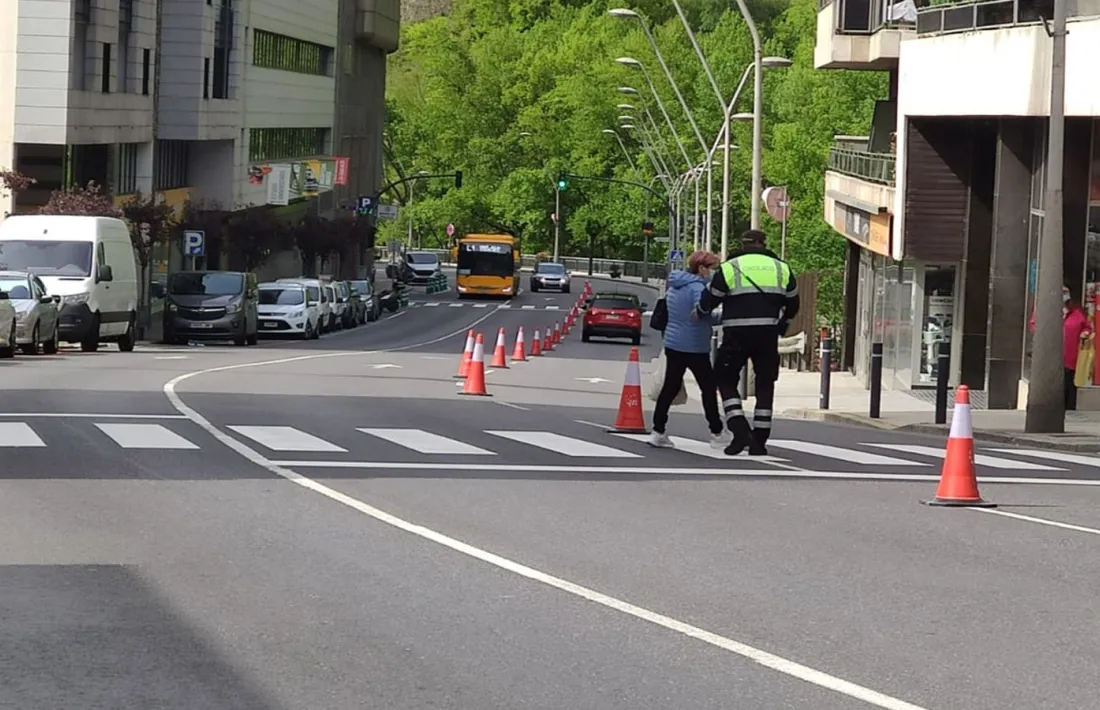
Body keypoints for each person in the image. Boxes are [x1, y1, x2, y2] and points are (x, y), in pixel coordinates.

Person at [695, 229, 799, 456]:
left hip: (737, 333)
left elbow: (712, 298)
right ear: (763, 244)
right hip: (767, 334)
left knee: (723, 377)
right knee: (765, 383)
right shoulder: (781, 267)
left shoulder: (731, 267)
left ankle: (738, 427)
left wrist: (700, 311)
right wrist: (784, 323)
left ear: (742, 245)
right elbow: (793, 303)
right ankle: (760, 440)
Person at [649, 251, 725, 449]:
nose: (713, 272)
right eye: (712, 268)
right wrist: (724, 317)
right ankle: (717, 432)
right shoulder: (697, 288)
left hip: (673, 342)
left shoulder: (674, 285)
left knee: (669, 387)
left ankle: (658, 431)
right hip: (695, 345)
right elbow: (701, 315)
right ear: (701, 268)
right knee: (708, 389)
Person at [1063, 294, 1091, 411]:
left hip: (1071, 356)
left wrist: (1085, 333)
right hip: (1052, 357)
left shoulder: (1076, 314)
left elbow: (1087, 327)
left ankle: (1069, 408)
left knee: (1069, 383)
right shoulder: (1047, 310)